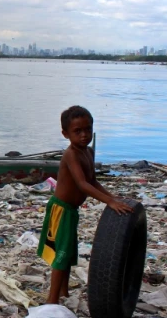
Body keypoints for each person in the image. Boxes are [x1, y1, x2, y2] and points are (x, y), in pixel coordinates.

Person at [38, 105, 134, 304]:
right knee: (61, 255)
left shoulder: (88, 152)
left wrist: (113, 199)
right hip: (61, 209)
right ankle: (52, 300)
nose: (84, 135)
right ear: (66, 134)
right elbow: (81, 184)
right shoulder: (71, 154)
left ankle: (63, 293)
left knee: (69, 252)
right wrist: (108, 201)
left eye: (88, 129)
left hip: (72, 211)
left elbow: (92, 180)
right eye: (77, 131)